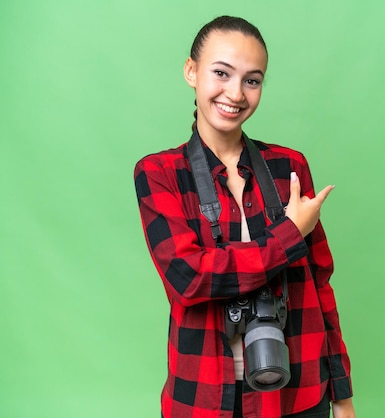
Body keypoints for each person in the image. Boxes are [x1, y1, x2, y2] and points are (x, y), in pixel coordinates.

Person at [134, 16, 356, 418]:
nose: (235, 93)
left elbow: (320, 285)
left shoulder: (289, 166)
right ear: (191, 71)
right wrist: (289, 235)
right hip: (204, 395)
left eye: (252, 80)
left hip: (298, 394)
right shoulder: (159, 173)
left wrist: (342, 395)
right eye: (221, 73)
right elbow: (190, 277)